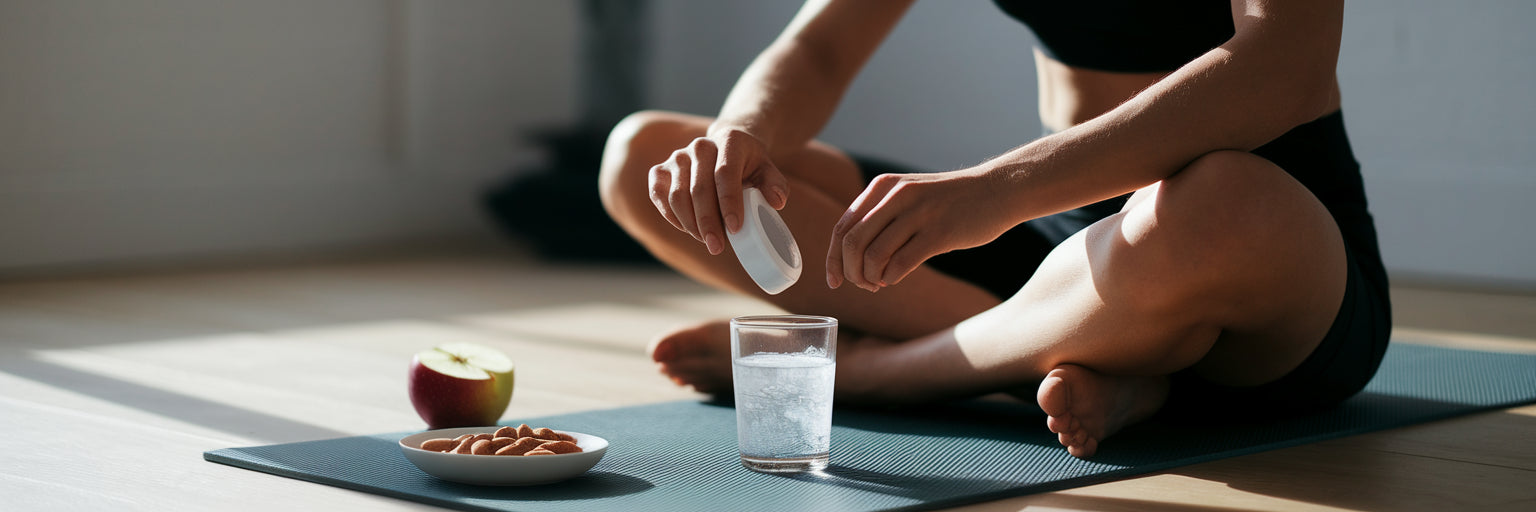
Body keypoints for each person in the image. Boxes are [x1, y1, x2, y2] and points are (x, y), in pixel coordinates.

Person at [597, 0, 1390, 458]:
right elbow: (820, 47)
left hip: (1266, 259)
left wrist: (995, 189)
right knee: (644, 156)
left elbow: (1284, 66)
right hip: (1066, 251)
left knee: (1220, 201)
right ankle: (1106, 364)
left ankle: (882, 372)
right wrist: (742, 137)